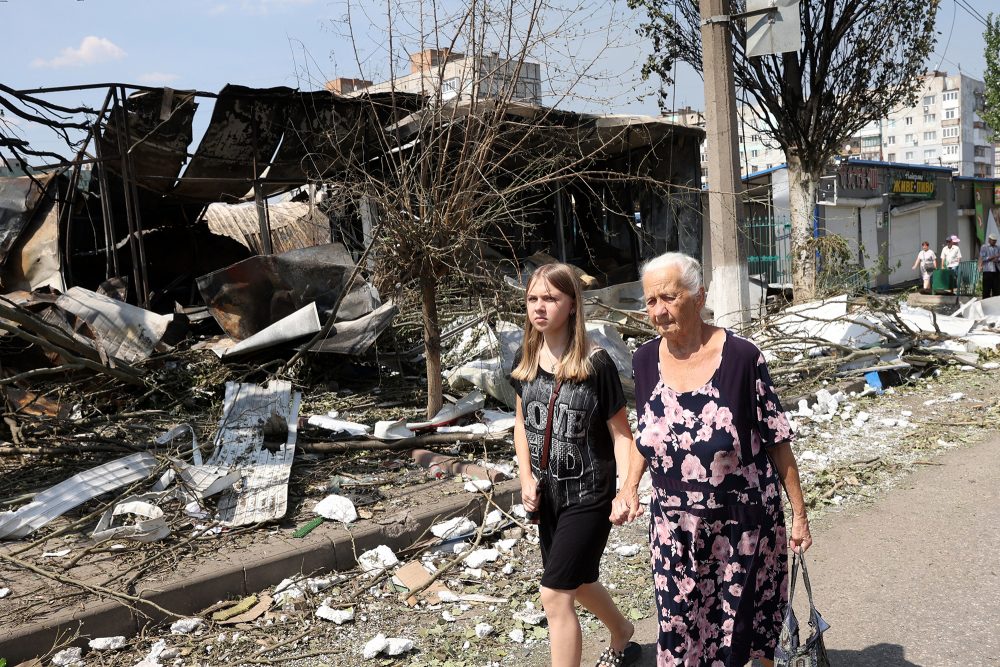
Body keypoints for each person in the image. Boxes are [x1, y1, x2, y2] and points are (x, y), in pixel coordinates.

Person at [611, 252, 812, 667]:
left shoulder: (742, 357)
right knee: (679, 628)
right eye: (650, 301)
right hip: (674, 530)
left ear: (698, 297)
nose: (658, 311)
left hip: (742, 525)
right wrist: (628, 489)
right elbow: (645, 436)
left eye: (668, 297)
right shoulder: (644, 360)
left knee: (739, 630)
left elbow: (776, 438)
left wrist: (799, 513)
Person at [511, 263, 640, 667]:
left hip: (588, 494)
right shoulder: (525, 357)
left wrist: (625, 491)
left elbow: (622, 435)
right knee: (578, 579)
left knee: (554, 593)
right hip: (547, 497)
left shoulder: (596, 364)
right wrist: (525, 478)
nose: (540, 307)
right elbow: (521, 423)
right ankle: (622, 631)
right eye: (533, 298)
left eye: (550, 298)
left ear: (571, 305)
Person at [978, 233, 1000, 299]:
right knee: (986, 289)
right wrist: (992, 257)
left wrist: (997, 259)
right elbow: (982, 258)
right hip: (987, 270)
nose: (994, 241)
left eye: (995, 240)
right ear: (989, 240)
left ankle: (996, 304)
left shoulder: (998, 247)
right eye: (992, 240)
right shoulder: (984, 247)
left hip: (996, 270)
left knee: (997, 289)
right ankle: (985, 304)